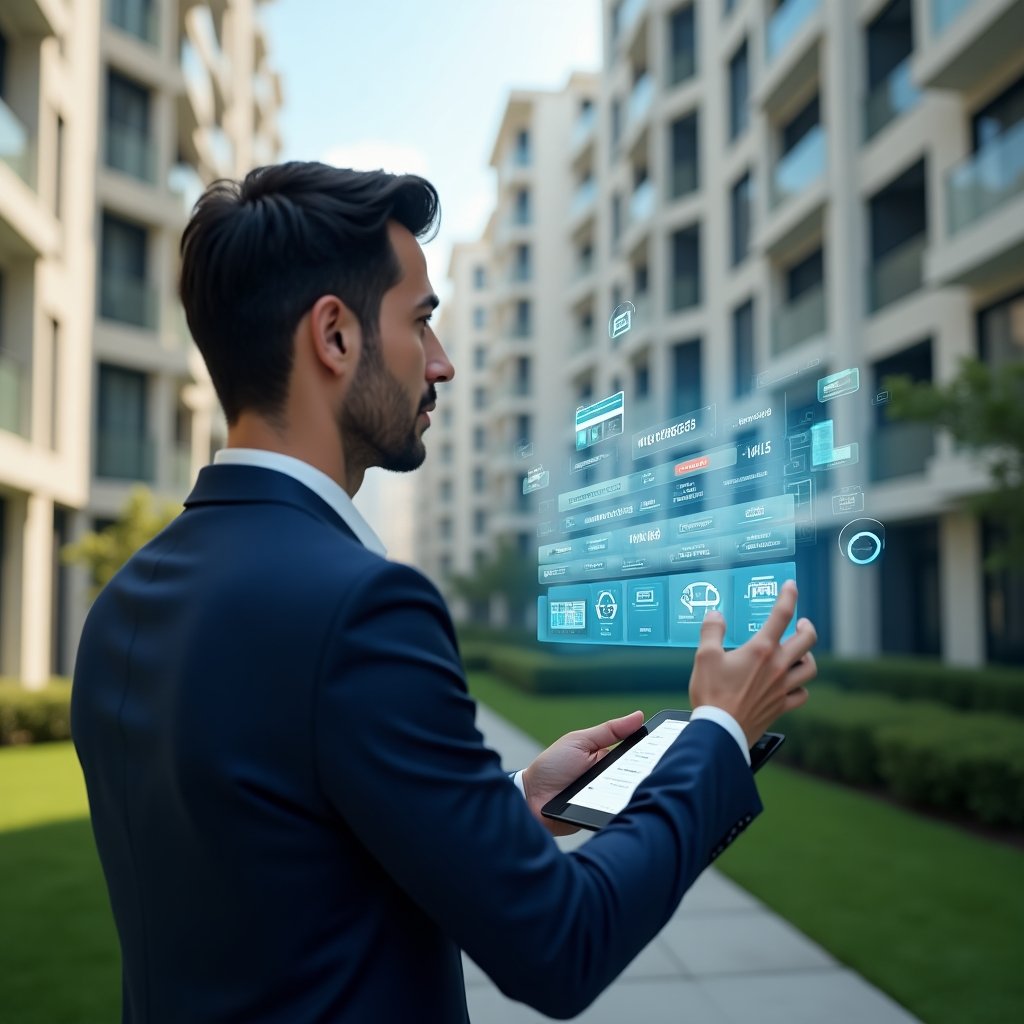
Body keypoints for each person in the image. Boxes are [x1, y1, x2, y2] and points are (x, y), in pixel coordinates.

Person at [71, 162, 817, 1023]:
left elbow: (275, 854)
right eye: (422, 323)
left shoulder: (123, 603)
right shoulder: (361, 610)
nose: (444, 363)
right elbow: (561, 943)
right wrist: (719, 736)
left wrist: (509, 804)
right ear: (335, 336)